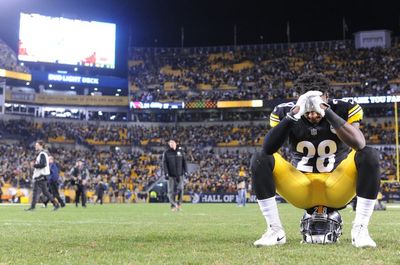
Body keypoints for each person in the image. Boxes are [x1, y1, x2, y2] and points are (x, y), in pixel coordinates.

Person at [250, 73, 380, 248]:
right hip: (300, 187)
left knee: (369, 154)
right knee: (259, 158)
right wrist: (294, 115)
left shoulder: (344, 108)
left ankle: (360, 229)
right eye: (308, 110)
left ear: (327, 96)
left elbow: (359, 143)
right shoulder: (284, 111)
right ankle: (275, 230)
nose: (312, 115)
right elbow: (268, 149)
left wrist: (327, 112)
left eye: (315, 109)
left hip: (337, 185)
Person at [25, 140, 60, 211]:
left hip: (41, 176)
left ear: (41, 146)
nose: (35, 146)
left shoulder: (42, 154)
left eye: (37, 145)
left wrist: (34, 165)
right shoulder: (41, 154)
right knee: (45, 192)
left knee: (36, 191)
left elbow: (43, 164)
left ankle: (32, 207)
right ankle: (55, 204)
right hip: (42, 176)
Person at [162, 140, 187, 211]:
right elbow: (164, 164)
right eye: (170, 143)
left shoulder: (181, 151)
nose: (171, 144)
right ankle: (173, 205)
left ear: (176, 143)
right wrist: (166, 173)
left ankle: (179, 204)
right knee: (171, 191)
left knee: (181, 189)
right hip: (170, 175)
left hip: (180, 174)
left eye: (172, 142)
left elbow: (184, 162)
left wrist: (186, 171)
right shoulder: (166, 153)